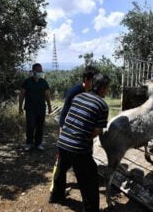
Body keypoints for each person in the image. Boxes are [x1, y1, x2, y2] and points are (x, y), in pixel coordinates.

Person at [55, 74, 110, 212]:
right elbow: (96, 131)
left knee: (61, 170)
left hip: (63, 142)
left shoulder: (78, 97)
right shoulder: (102, 105)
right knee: (90, 181)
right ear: (102, 88)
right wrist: (83, 138)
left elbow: (69, 118)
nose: (108, 90)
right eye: (107, 88)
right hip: (78, 148)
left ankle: (56, 196)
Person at [49, 66, 99, 203]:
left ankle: (57, 194)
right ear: (86, 79)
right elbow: (64, 114)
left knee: (65, 164)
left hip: (81, 136)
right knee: (61, 164)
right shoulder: (76, 91)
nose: (96, 83)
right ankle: (56, 193)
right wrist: (61, 136)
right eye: (93, 80)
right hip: (69, 134)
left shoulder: (89, 92)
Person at [18, 63, 52, 151]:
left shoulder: (44, 82)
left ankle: (38, 144)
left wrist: (49, 106)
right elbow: (22, 95)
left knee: (40, 127)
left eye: (41, 70)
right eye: (39, 71)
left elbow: (47, 95)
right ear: (34, 71)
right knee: (30, 126)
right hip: (30, 109)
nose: (41, 72)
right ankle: (29, 143)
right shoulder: (27, 82)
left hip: (41, 108)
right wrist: (20, 107)